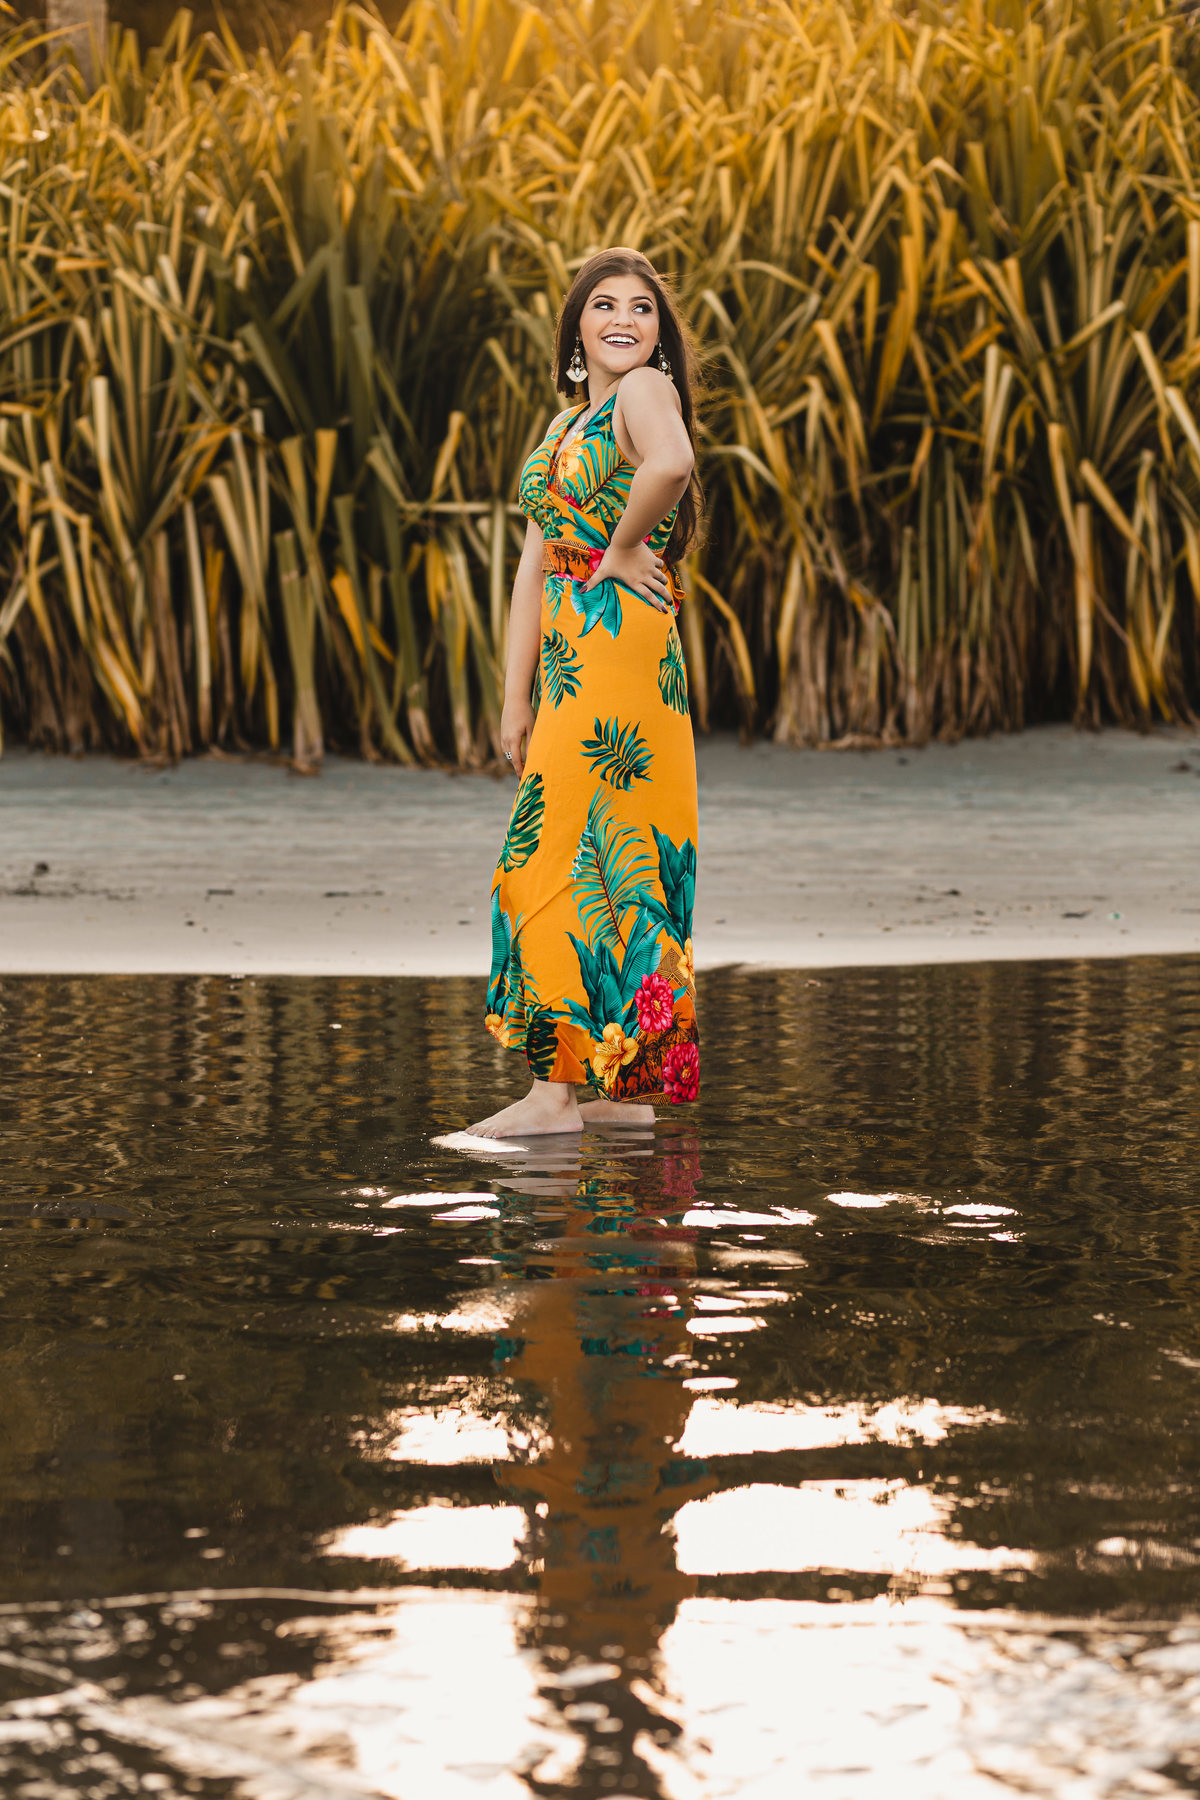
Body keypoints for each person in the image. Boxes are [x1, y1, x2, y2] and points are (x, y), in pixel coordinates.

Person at [466, 247, 702, 1140]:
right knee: (594, 862)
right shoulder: (569, 423)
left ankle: (557, 1095)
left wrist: (617, 549)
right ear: (575, 331)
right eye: (604, 305)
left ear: (656, 332)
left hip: (618, 664)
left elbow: (671, 465)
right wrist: (512, 695)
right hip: (573, 666)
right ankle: (611, 1093)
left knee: (561, 861)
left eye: (641, 308)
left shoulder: (645, 393)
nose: (624, 320)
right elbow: (531, 567)